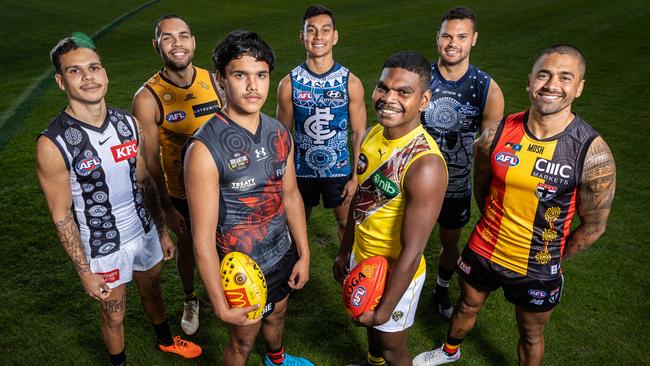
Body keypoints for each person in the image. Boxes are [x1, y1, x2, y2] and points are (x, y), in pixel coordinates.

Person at [413, 44, 616, 366]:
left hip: (538, 265)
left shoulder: (592, 152)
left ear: (579, 88)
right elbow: (481, 186)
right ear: (530, 81)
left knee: (531, 333)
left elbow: (594, 225)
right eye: (544, 75)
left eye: (565, 77)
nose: (551, 85)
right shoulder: (495, 133)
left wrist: (552, 255)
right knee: (466, 305)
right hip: (484, 248)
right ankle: (450, 350)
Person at [36, 35, 202, 366]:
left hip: (142, 233)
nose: (88, 77)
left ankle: (166, 341)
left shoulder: (128, 124)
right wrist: (84, 271)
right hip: (102, 246)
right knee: (114, 316)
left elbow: (144, 182)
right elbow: (61, 215)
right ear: (60, 81)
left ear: (105, 74)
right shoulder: (53, 143)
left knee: (153, 292)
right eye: (75, 71)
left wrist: (162, 232)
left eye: (94, 67)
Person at [184, 30, 313, 366]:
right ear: (219, 81)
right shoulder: (203, 150)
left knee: (277, 316)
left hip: (282, 253)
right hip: (241, 269)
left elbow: (291, 195)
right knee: (242, 343)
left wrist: (304, 253)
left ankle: (277, 360)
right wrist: (219, 301)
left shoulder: (278, 132)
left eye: (261, 75)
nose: (253, 86)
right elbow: (201, 239)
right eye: (240, 75)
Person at [333, 51, 448, 366]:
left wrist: (384, 310)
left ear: (423, 100)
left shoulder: (425, 165)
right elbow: (361, 201)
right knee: (375, 341)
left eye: (403, 92)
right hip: (364, 258)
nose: (388, 98)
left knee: (392, 347)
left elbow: (412, 252)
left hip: (396, 273)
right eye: (383, 88)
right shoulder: (373, 134)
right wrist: (346, 251)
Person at [132, 13, 223, 336]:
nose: (177, 44)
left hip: (224, 186)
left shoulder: (214, 81)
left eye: (183, 36)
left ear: (193, 41)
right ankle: (191, 298)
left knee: (230, 243)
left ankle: (233, 289)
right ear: (156, 45)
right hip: (181, 193)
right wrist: (166, 208)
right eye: (168, 38)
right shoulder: (147, 97)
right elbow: (149, 161)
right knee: (189, 249)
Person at [420, 6, 504, 320]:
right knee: (404, 237)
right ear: (437, 38)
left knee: (449, 241)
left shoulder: (486, 88)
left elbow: (488, 150)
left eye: (461, 36)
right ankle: (398, 287)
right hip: (415, 181)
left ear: (474, 40)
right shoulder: (420, 79)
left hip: (456, 185)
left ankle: (441, 287)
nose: (453, 42)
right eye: (447, 35)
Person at [276, 4, 366, 243]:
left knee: (346, 224)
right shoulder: (289, 83)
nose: (318, 37)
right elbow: (282, 136)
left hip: (340, 170)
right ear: (302, 36)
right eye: (311, 30)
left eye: (325, 30)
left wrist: (356, 177)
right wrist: (285, 177)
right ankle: (297, 272)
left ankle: (347, 273)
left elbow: (358, 133)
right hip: (300, 172)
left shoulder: (350, 82)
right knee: (295, 227)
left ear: (334, 37)